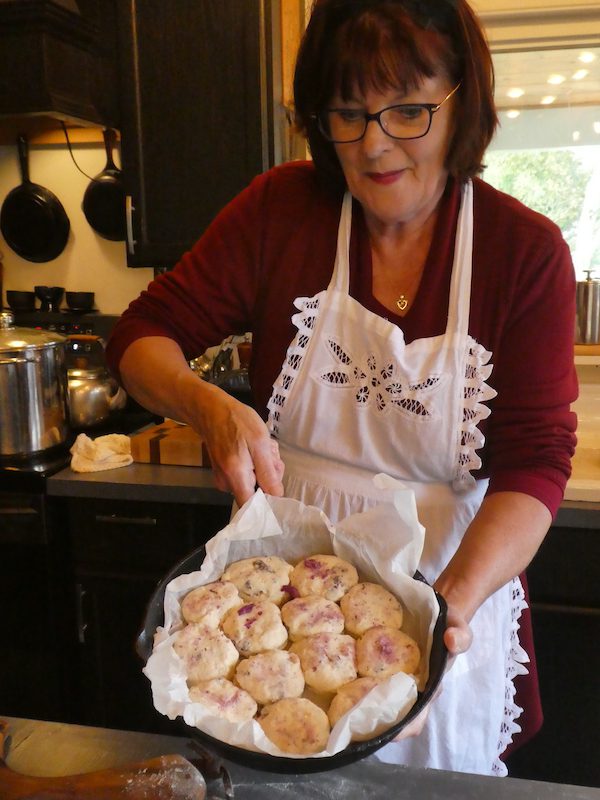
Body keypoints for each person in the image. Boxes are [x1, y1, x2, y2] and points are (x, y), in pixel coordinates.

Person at [106, 0, 578, 777]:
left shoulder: (522, 252)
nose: (374, 144)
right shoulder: (279, 212)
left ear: (463, 99)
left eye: (408, 111)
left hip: (449, 577)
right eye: (347, 114)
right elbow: (141, 337)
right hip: (281, 579)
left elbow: (536, 461)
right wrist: (211, 408)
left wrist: (442, 613)